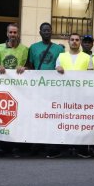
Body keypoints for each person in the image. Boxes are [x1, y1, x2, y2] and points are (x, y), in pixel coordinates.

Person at [28, 22, 65, 158]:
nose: (46, 32)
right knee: (38, 116)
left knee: (51, 116)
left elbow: (62, 66)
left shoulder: (59, 49)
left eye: (48, 30)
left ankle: (50, 145)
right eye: (44, 30)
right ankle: (36, 144)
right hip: (38, 87)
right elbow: (30, 66)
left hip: (54, 88)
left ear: (51, 32)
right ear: (40, 32)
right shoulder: (33, 48)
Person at [56, 33, 92, 158]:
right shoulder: (61, 56)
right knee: (64, 121)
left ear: (80, 42)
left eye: (77, 40)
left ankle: (81, 149)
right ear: (68, 42)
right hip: (64, 95)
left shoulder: (87, 57)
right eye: (72, 40)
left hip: (81, 95)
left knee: (80, 122)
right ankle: (63, 147)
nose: (75, 42)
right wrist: (58, 68)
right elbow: (56, 68)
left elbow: (92, 76)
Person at [0, 23, 28, 157]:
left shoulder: (25, 49)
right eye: (11, 32)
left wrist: (25, 68)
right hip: (2, 88)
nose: (13, 35)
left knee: (16, 119)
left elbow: (29, 66)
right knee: (2, 118)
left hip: (18, 89)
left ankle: (15, 147)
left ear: (18, 34)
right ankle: (1, 147)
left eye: (15, 32)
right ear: (7, 34)